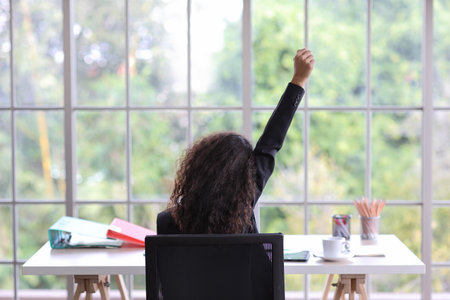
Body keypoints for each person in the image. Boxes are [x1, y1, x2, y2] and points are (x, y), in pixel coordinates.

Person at [157, 48, 315, 235]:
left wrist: (298, 80)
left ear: (195, 171)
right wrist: (298, 80)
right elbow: (271, 141)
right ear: (245, 179)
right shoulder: (242, 214)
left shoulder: (166, 221)